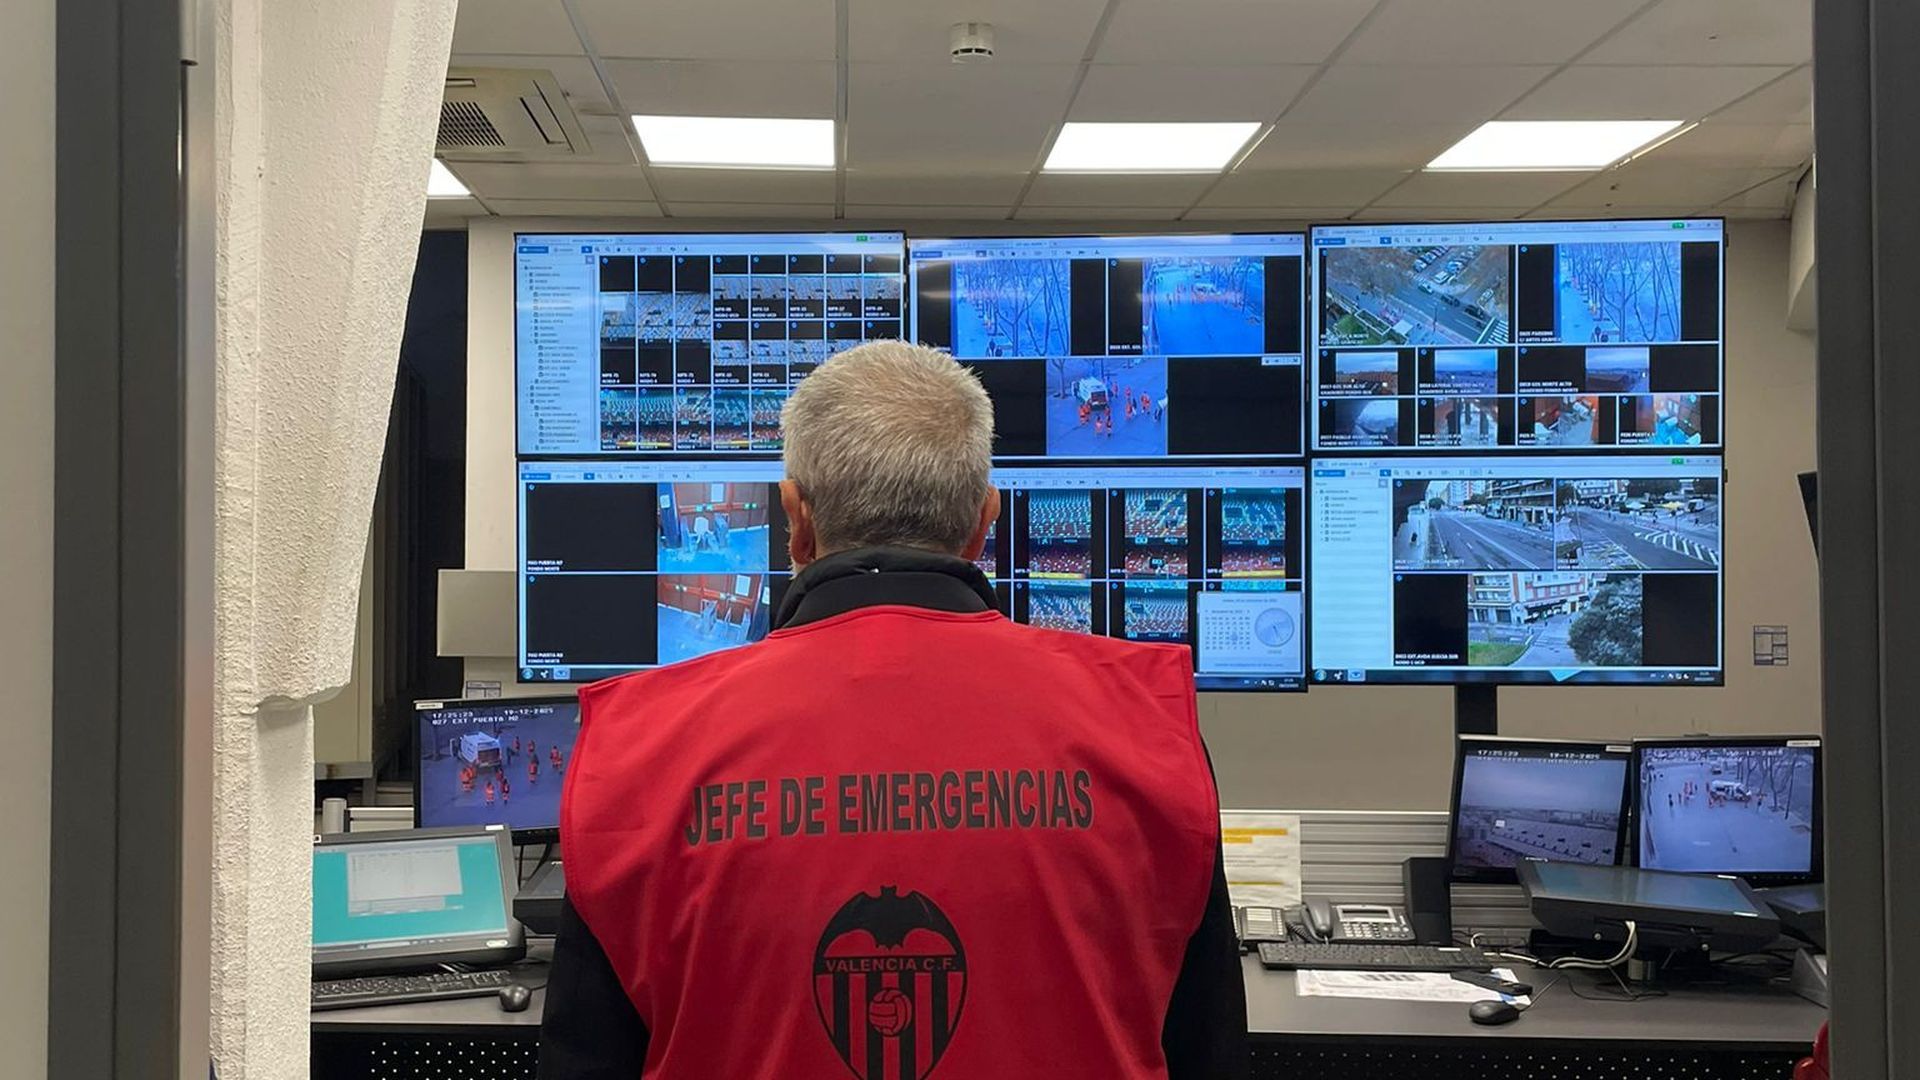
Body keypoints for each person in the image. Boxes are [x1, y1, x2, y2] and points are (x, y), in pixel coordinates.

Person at [541, 341, 1246, 1080]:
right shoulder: (1144, 727)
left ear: (795, 517)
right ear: (985, 521)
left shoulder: (637, 749)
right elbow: (1209, 1051)